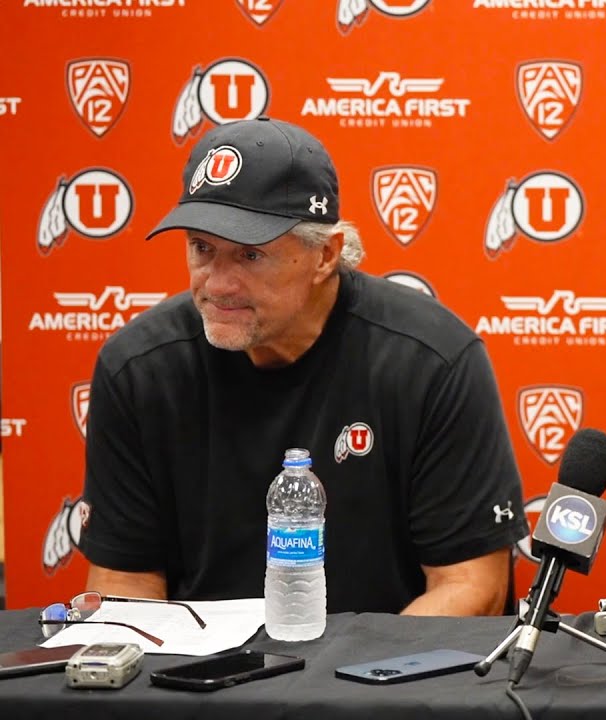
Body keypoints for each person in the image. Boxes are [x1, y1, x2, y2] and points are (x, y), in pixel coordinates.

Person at [78, 117, 528, 616]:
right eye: (202, 248)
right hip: (200, 664)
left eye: (250, 255)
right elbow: (125, 580)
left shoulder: (431, 361)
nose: (217, 284)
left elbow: (470, 586)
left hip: (383, 660)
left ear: (325, 255)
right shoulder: (138, 369)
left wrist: (365, 667)